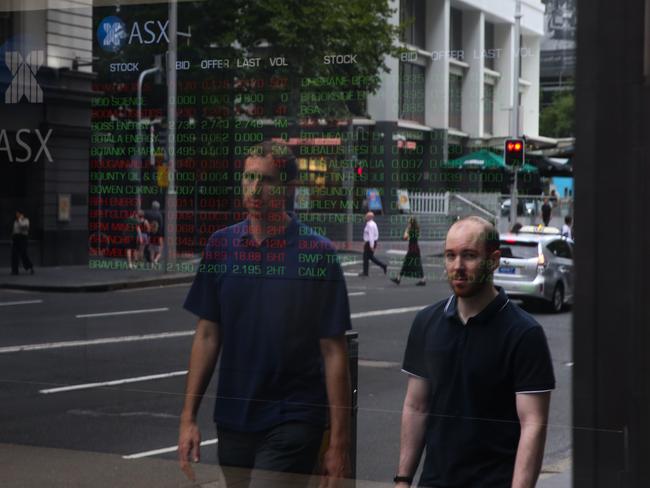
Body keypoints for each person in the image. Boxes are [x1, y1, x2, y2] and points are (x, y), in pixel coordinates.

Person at [178, 142, 352, 488]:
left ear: (289, 188)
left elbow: (334, 352)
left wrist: (339, 442)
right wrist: (188, 418)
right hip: (234, 418)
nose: (255, 189)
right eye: (248, 177)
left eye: (267, 180)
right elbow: (208, 335)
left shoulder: (316, 254)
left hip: (294, 416)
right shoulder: (221, 246)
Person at [394, 216, 555, 488]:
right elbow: (416, 406)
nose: (457, 266)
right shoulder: (426, 322)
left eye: (468, 256)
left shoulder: (524, 334)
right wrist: (402, 480)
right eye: (450, 256)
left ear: (493, 260)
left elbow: (533, 424)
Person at [391, 217, 425, 286]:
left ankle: (398, 279)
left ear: (411, 223)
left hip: (412, 249)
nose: (408, 223)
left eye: (409, 222)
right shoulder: (416, 229)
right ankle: (422, 279)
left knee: (407, 264)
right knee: (417, 264)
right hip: (416, 248)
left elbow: (405, 237)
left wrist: (406, 230)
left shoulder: (410, 230)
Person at [359, 211, 387, 277]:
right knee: (370, 257)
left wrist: (371, 246)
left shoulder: (370, 225)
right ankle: (383, 265)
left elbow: (371, 236)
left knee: (366, 258)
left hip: (370, 243)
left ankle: (365, 272)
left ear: (369, 217)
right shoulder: (373, 223)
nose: (365, 216)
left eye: (366, 216)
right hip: (371, 242)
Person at [10, 210, 34, 275]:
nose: (17, 215)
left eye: (18, 214)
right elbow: (14, 230)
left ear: (21, 214)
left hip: (23, 239)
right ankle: (14, 270)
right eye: (16, 214)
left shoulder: (26, 220)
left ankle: (30, 266)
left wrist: (20, 219)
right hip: (16, 239)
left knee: (24, 255)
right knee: (14, 255)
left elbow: (23, 226)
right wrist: (12, 239)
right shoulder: (15, 221)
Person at [144, 200, 164, 264]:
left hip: (149, 234)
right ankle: (156, 259)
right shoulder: (159, 215)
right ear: (158, 207)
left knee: (151, 248)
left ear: (152, 206)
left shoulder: (147, 213)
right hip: (158, 235)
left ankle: (151, 261)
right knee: (159, 249)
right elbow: (161, 226)